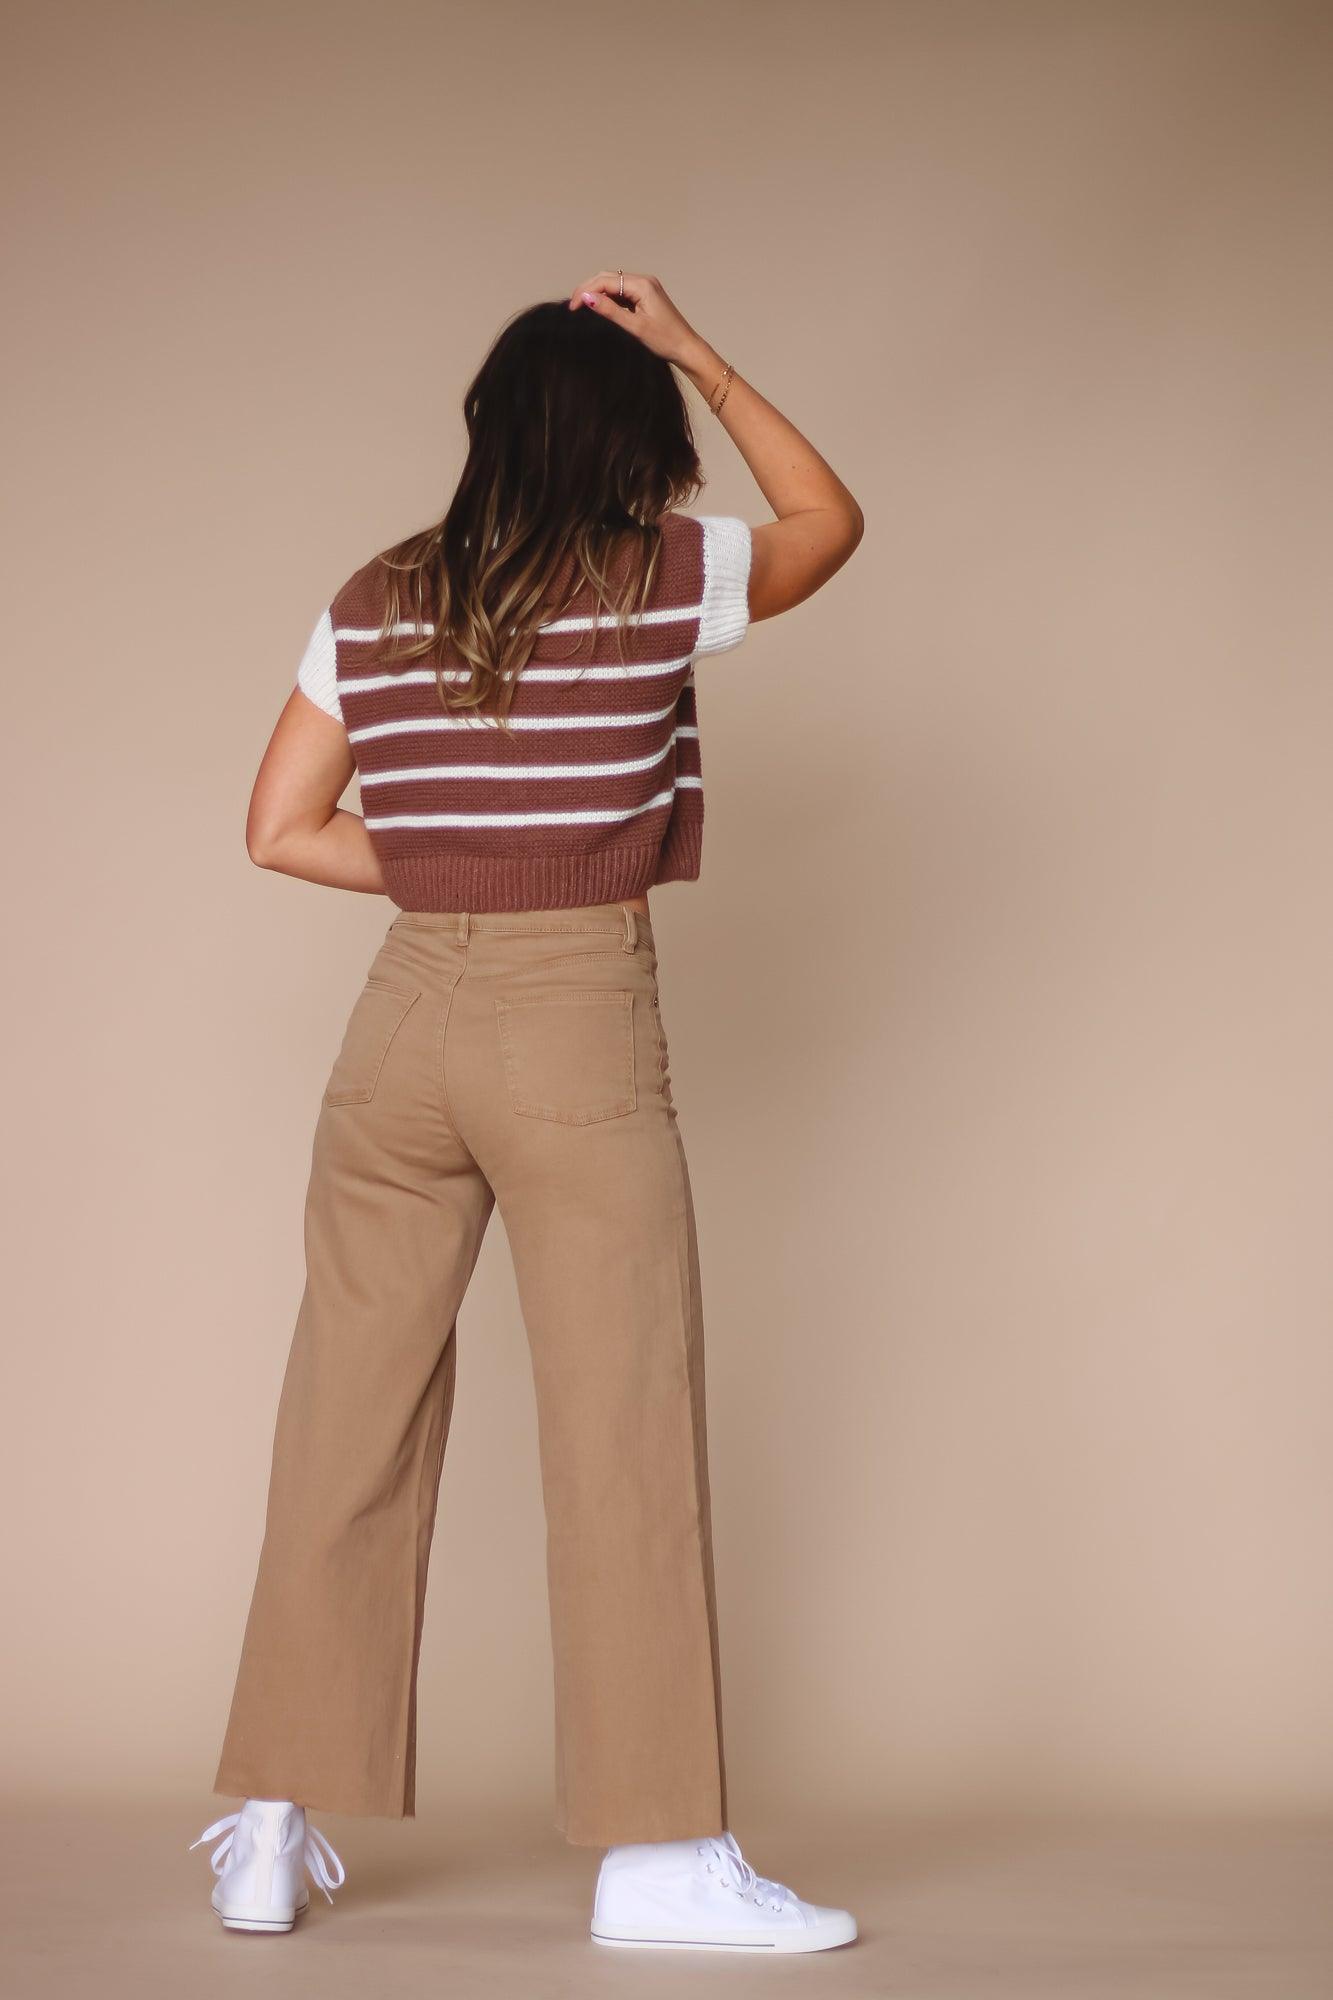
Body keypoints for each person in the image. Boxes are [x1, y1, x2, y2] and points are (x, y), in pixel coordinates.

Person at [190, 269, 865, 1953]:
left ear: (487, 428)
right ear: (636, 434)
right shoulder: (658, 575)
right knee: (618, 1431)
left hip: (399, 1025)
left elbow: (278, 827)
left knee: (343, 1424)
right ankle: (658, 1861)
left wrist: (449, 874)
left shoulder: (374, 594)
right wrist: (698, 348)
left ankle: (266, 1828)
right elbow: (826, 519)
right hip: (574, 1024)